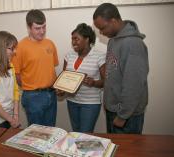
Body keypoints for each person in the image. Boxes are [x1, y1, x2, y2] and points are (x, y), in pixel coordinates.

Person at [93, 3, 149, 134]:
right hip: (114, 110)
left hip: (126, 116)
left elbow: (134, 84)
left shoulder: (133, 44)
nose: (101, 32)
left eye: (102, 28)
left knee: (127, 152)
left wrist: (123, 115)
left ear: (113, 20)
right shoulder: (113, 40)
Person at [12, 9, 59, 126]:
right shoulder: (20, 47)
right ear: (28, 27)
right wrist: (31, 90)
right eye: (37, 28)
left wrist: (58, 86)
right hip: (33, 97)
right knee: (37, 134)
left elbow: (51, 69)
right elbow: (17, 75)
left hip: (51, 94)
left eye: (44, 27)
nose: (42, 31)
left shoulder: (50, 43)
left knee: (51, 131)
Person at [62, 23, 105, 133]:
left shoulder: (99, 56)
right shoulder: (69, 55)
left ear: (87, 39)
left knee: (85, 134)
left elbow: (106, 82)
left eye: (77, 39)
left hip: (90, 103)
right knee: (76, 132)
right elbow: (63, 78)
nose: (73, 42)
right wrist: (60, 90)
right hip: (72, 101)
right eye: (72, 39)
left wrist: (94, 83)